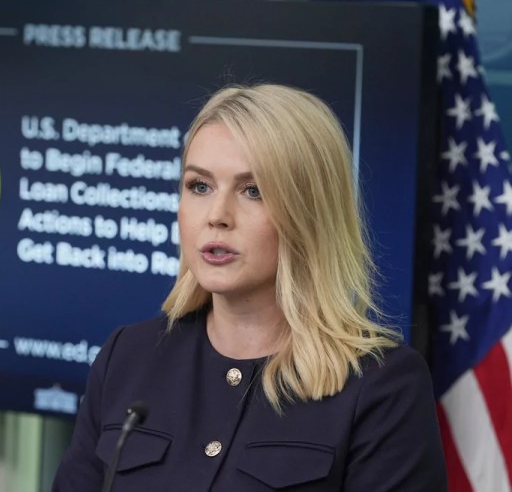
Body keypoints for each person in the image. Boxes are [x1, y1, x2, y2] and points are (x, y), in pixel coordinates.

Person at [53, 84, 447, 491]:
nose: (217, 216)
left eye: (253, 191)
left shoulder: (382, 386)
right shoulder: (126, 358)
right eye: (199, 186)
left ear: (309, 212)